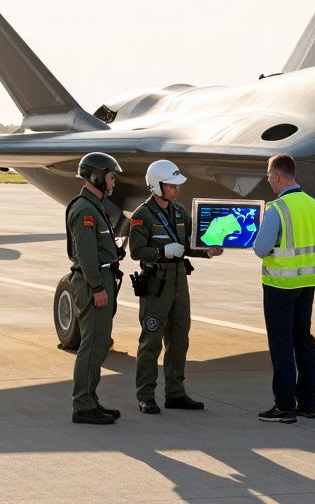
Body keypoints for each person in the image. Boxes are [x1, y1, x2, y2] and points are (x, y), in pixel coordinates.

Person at [129, 159, 222, 414]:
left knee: (179, 338)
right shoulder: (141, 216)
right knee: (151, 340)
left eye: (177, 185)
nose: (177, 189)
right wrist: (162, 252)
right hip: (157, 282)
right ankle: (146, 395)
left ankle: (175, 392)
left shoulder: (180, 212)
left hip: (180, 279)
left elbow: (190, 243)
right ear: (156, 186)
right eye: (172, 186)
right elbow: (136, 251)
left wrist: (207, 251)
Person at [251, 153, 315, 423]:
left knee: (281, 344)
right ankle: (308, 403)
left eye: (269, 177)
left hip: (280, 285)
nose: (269, 181)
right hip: (307, 282)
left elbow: (261, 249)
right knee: (304, 340)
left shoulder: (277, 209)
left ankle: (284, 405)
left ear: (277, 177)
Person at [67, 152, 124, 425]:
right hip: (94, 283)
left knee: (100, 344)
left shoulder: (96, 206)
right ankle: (82, 405)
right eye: (111, 176)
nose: (113, 182)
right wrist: (98, 287)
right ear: (96, 177)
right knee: (91, 346)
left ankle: (91, 398)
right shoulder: (85, 210)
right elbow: (86, 254)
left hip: (102, 279)